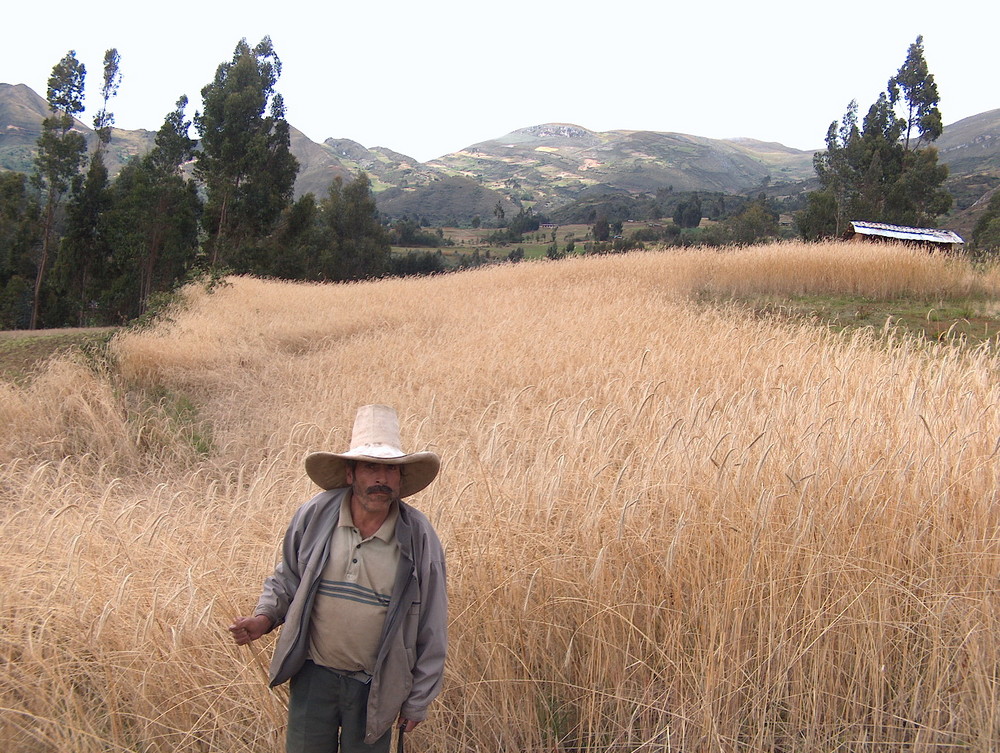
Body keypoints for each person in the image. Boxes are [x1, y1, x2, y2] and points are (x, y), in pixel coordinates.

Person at [229, 404, 447, 753]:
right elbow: (287, 578)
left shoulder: (419, 537)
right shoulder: (315, 516)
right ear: (350, 474)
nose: (381, 479)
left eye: (391, 470)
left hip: (376, 684)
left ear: (401, 480)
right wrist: (263, 618)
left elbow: (432, 623)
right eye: (370, 467)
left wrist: (418, 699)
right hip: (314, 676)